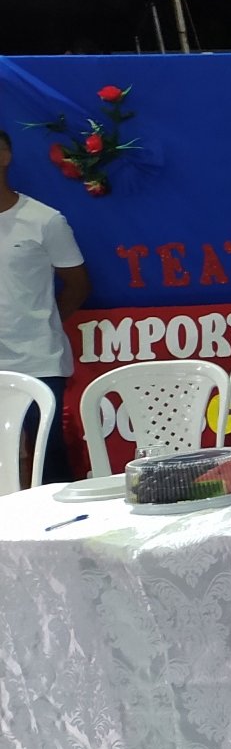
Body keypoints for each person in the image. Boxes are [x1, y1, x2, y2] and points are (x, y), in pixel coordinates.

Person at [0, 128, 89, 485]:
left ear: (4, 157)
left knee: (46, 459)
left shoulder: (44, 220)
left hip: (36, 361)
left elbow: (78, 284)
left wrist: (39, 324)